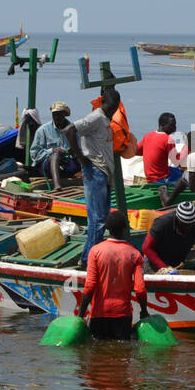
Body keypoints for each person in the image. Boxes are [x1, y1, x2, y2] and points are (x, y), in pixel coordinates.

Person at [65, 88, 121, 267]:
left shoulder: (106, 119)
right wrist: (80, 157)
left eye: (115, 107)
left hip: (103, 173)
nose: (113, 110)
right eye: (111, 106)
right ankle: (91, 260)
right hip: (95, 171)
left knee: (101, 218)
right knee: (97, 220)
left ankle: (87, 257)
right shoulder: (96, 117)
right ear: (104, 102)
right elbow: (70, 130)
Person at [77, 210, 148, 341]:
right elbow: (140, 288)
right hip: (123, 315)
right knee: (122, 355)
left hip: (99, 314)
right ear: (125, 228)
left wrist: (80, 315)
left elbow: (90, 285)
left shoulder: (95, 251)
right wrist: (144, 311)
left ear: (107, 228)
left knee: (98, 353)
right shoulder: (135, 254)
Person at [142, 201, 195, 274]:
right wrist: (164, 268)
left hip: (177, 262)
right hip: (156, 261)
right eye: (184, 225)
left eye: (189, 225)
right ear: (177, 220)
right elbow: (146, 247)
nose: (187, 228)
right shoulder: (162, 223)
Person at [139, 112, 189, 205]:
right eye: (172, 125)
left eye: (175, 124)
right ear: (162, 125)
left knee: (176, 171)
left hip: (149, 176)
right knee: (187, 177)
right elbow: (179, 163)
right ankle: (168, 198)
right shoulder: (167, 139)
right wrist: (187, 145)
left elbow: (137, 151)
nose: (175, 128)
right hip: (160, 179)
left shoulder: (148, 135)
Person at [30, 101, 79, 188]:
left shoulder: (73, 130)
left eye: (60, 114)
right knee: (55, 156)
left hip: (67, 166)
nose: (57, 117)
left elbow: (81, 150)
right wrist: (52, 151)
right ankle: (57, 185)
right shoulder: (43, 130)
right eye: (54, 114)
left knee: (85, 157)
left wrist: (73, 152)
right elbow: (34, 155)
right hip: (47, 167)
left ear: (65, 114)